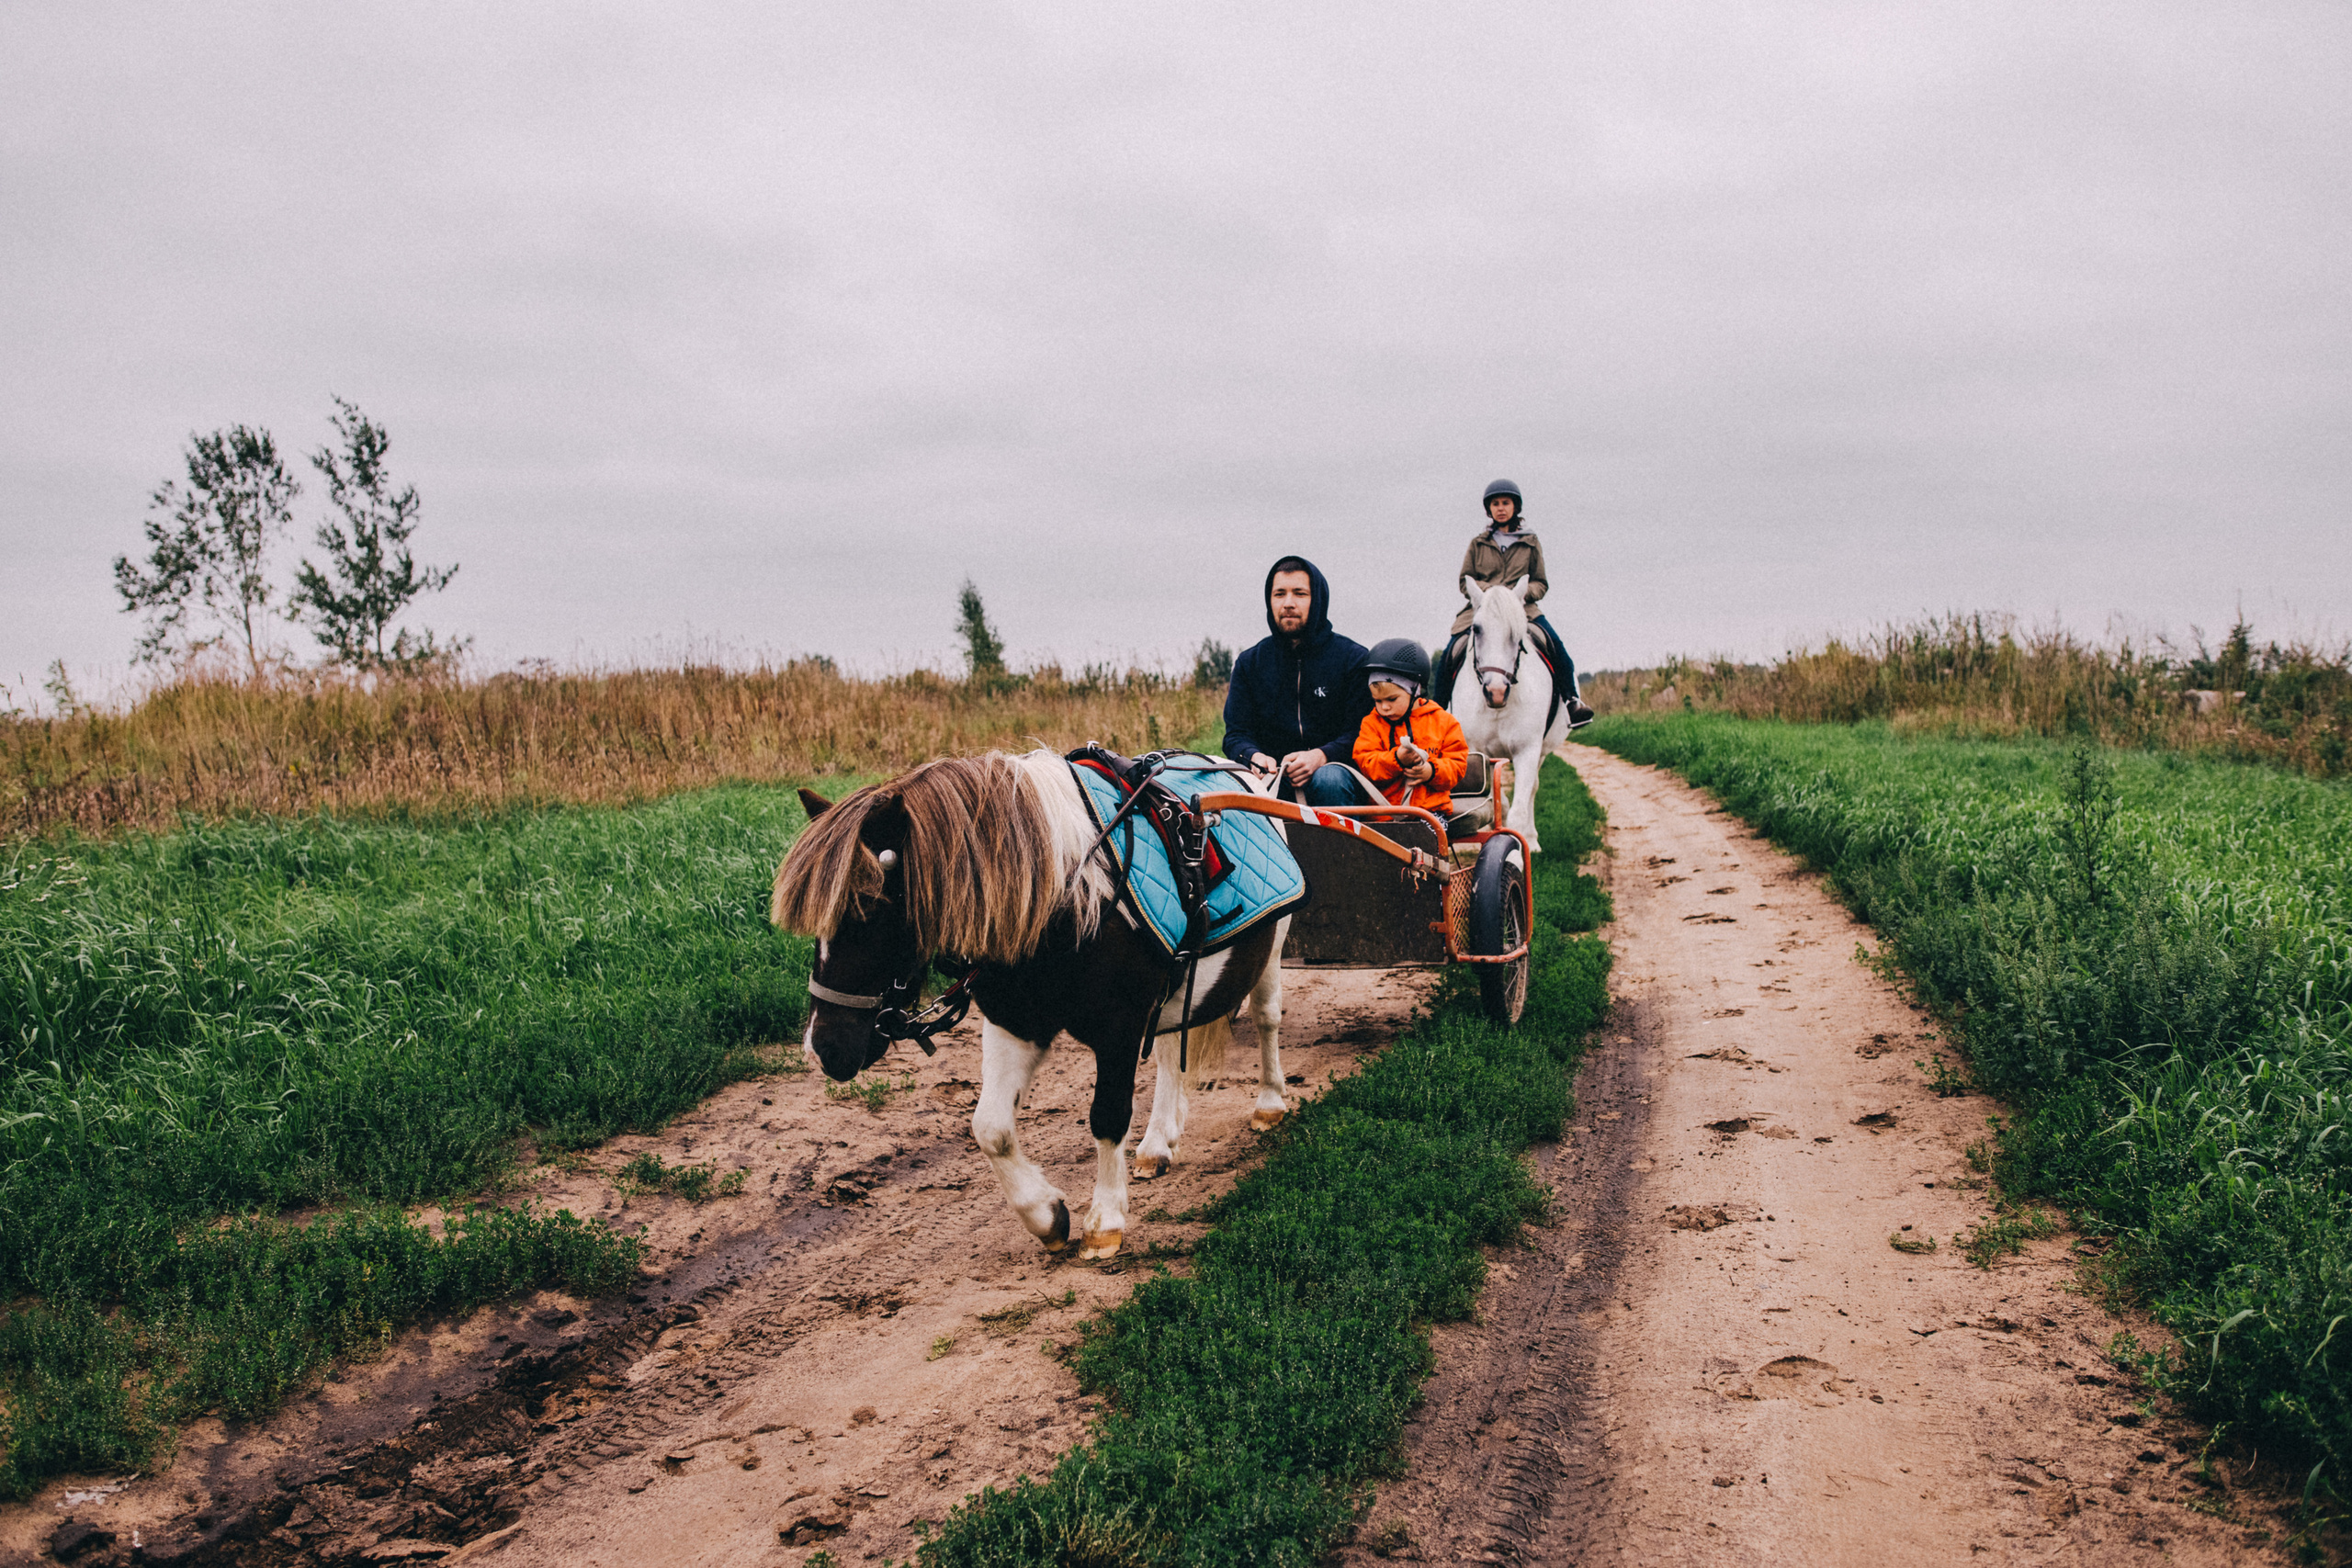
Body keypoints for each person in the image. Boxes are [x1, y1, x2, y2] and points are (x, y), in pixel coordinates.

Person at [1431, 479, 1591, 724]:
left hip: (1522, 609)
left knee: (1555, 645)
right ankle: (1436, 715)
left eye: (1506, 503)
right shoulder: (1478, 543)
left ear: (1515, 507)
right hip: (1482, 608)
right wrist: (1492, 594)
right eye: (1495, 504)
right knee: (1450, 653)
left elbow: (1541, 583)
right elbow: (1465, 581)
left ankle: (1571, 701)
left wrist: (1521, 594)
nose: (1501, 508)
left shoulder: (1530, 542)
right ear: (1489, 509)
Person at [1222, 556, 1374, 807]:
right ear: (1269, 600)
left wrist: (1322, 756)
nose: (1288, 603)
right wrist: (1253, 756)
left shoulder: (1353, 659)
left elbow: (1363, 732)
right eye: (1279, 594)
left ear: (1318, 599)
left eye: (1300, 594)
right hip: (1272, 776)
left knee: (1329, 779)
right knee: (1233, 782)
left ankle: (1341, 848)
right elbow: (1236, 734)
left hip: (1338, 774)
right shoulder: (1250, 663)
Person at [1351, 638, 1469, 816]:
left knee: (1425, 840)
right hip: (1383, 814)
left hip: (1431, 812)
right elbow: (1366, 764)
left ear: (1415, 691)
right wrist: (1396, 759)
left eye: (1392, 699)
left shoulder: (1444, 722)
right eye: (1377, 701)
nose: (1384, 707)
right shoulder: (1371, 724)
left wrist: (1431, 771)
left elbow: (1457, 766)